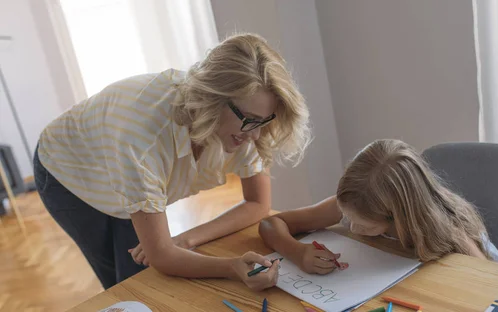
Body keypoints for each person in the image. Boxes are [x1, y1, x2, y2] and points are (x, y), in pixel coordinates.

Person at [33, 33, 310, 291]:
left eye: (265, 121)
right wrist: (231, 267)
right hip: (70, 174)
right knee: (129, 287)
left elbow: (257, 204)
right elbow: (162, 256)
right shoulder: (144, 138)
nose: (257, 134)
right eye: (251, 120)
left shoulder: (247, 121)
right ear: (213, 100)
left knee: (144, 271)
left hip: (121, 159)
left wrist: (185, 239)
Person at [259, 139, 498, 275]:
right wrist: (298, 253)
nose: (351, 227)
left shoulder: (450, 234)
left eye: (364, 225)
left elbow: (489, 288)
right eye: (347, 216)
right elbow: (270, 223)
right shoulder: (357, 203)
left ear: (398, 217)